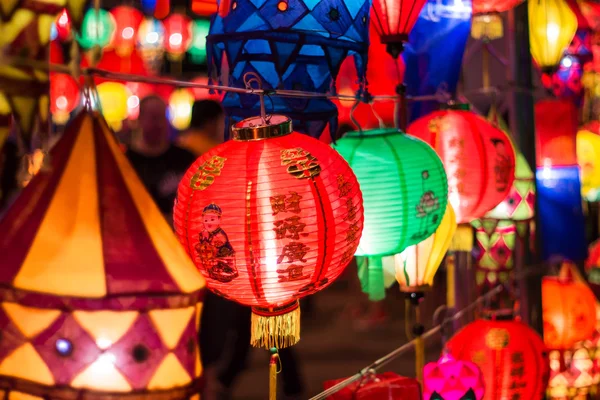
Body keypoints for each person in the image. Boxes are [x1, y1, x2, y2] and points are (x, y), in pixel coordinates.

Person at [126, 95, 196, 224]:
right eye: (153, 118)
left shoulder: (185, 157)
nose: (158, 124)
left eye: (162, 117)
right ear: (140, 120)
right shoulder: (126, 161)